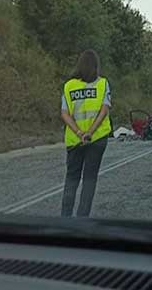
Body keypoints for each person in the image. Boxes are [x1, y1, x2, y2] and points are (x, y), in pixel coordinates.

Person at [60, 49, 112, 217]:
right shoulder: (102, 84)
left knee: (72, 179)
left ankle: (65, 218)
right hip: (97, 139)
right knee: (89, 179)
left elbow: (64, 113)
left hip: (74, 140)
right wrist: (89, 132)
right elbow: (104, 111)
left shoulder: (69, 86)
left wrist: (78, 132)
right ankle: (82, 219)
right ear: (96, 66)